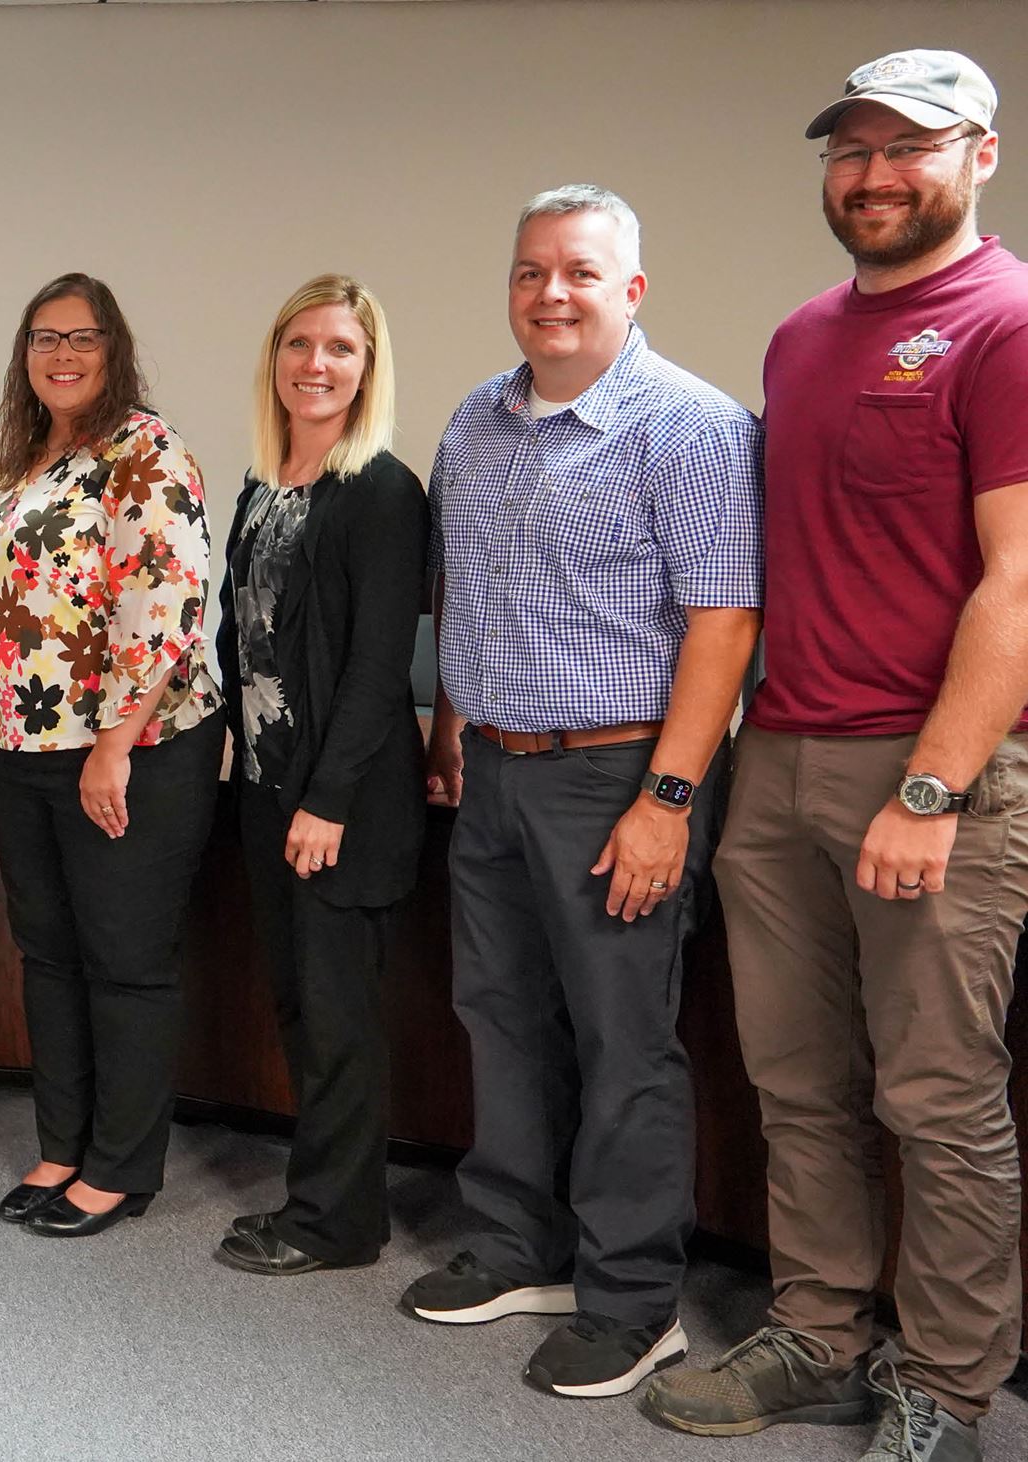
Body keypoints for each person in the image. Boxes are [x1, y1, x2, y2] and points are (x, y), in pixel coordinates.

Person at [641, 51, 1026, 1462]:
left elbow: (1020, 580)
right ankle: (820, 1328)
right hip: (782, 760)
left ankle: (950, 1383)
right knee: (796, 1079)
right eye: (850, 148)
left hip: (930, 777)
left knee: (935, 1095)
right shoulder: (801, 336)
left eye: (906, 146)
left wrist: (934, 788)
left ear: (979, 155)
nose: (872, 172)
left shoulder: (1009, 320)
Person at [409, 185, 762, 1400]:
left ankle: (629, 1299)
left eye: (575, 271)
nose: (548, 293)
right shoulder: (474, 419)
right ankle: (521, 1244)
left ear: (630, 288)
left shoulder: (691, 427)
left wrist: (666, 798)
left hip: (619, 773)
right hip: (496, 769)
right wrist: (453, 731)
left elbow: (724, 623)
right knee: (498, 1015)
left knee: (623, 1043)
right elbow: (461, 593)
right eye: (527, 273)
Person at [0, 273, 224, 1239]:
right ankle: (62, 1145)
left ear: (114, 351)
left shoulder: (145, 454)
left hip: (129, 751)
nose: (61, 355)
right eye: (43, 339)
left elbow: (167, 607)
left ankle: (121, 1165)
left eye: (82, 338)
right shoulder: (23, 459)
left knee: (124, 962)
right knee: (49, 958)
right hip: (22, 743)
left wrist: (113, 746)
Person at [211, 275, 427, 1278]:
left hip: (338, 801)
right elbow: (243, 636)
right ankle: (324, 1197)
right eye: (298, 344)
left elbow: (380, 667)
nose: (314, 364)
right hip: (264, 785)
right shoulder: (265, 483)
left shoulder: (378, 489)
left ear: (366, 367)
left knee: (338, 1013)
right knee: (298, 1002)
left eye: (339, 348)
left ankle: (337, 1222)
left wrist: (326, 801)